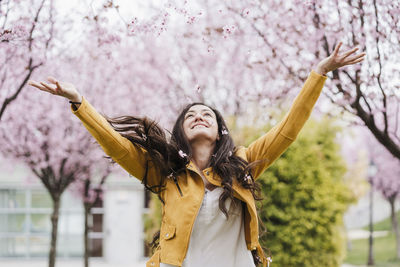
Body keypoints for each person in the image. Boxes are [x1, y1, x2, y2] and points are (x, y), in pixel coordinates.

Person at [29, 41, 365, 267]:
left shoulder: (243, 165)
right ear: (181, 134)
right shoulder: (165, 174)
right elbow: (116, 145)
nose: (198, 116)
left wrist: (319, 73)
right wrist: (79, 102)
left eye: (207, 114)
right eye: (190, 115)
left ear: (220, 131)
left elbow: (288, 129)